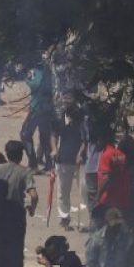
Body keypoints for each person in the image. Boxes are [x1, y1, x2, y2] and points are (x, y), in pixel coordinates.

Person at [53, 92, 86, 230]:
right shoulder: (59, 118)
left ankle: (83, 220)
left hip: (80, 160)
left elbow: (86, 139)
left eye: (69, 100)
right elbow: (53, 135)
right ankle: (64, 217)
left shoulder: (82, 119)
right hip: (64, 159)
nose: (66, 103)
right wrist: (54, 149)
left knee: (84, 190)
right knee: (63, 190)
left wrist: (80, 154)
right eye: (64, 100)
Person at [0, 140, 39, 215]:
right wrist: (32, 209)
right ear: (21, 155)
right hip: (16, 213)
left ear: (6, 154)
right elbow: (34, 195)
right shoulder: (25, 172)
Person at [20, 62, 55, 170]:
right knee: (44, 136)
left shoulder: (37, 71)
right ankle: (48, 164)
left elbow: (36, 84)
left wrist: (27, 77)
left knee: (25, 134)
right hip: (46, 108)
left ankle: (33, 162)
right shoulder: (49, 70)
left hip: (39, 108)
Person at [96, 128, 130, 211]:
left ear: (103, 140)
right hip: (121, 199)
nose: (97, 143)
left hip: (108, 199)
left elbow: (106, 178)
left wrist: (98, 196)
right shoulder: (120, 154)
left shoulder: (107, 154)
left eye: (98, 140)